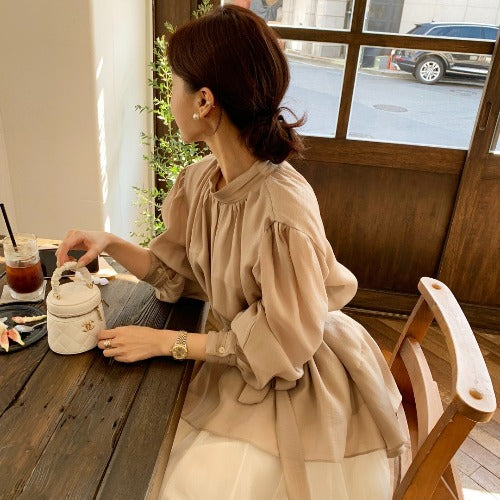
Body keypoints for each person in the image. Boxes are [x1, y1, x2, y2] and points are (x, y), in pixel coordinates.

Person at [56, 6, 407, 499]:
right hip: (235, 353)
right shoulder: (200, 181)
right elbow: (175, 272)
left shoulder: (283, 210)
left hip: (293, 374)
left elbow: (283, 345)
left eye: (174, 83)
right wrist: (110, 244)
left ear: (204, 100)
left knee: (173, 481)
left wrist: (166, 343)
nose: (168, 96)